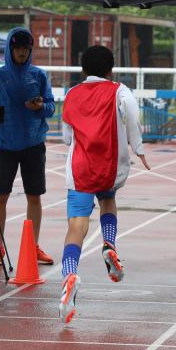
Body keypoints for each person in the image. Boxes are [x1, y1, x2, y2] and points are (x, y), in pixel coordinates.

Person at [58, 45, 150, 324]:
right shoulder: (119, 90)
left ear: (83, 70)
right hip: (109, 164)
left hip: (80, 168)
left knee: (76, 225)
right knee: (108, 201)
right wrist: (138, 146)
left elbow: (65, 135)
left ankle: (70, 274)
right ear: (111, 69)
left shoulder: (72, 94)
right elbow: (133, 114)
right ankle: (109, 243)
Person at [0, 27, 56, 266]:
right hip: (5, 145)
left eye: (25, 49)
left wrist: (40, 107)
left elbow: (51, 108)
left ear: (30, 50)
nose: (21, 52)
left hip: (34, 144)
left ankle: (33, 246)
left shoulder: (39, 75)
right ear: (10, 48)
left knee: (34, 196)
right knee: (0, 196)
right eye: (17, 48)